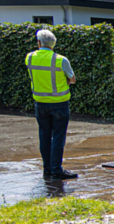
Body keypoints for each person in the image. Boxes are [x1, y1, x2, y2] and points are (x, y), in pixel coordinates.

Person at [26, 29, 77, 180]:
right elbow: (72, 79)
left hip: (40, 103)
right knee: (58, 137)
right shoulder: (61, 60)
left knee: (44, 136)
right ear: (53, 44)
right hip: (59, 104)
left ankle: (47, 169)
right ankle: (56, 169)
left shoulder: (29, 57)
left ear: (39, 42)